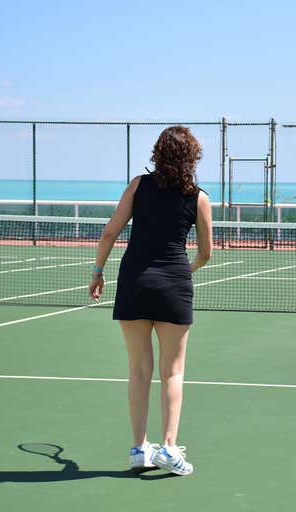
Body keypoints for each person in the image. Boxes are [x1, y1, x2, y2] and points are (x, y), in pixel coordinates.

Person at [88, 126, 212, 476]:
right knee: (172, 372)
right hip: (174, 286)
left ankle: (139, 447)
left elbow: (110, 231)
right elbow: (206, 253)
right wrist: (182, 271)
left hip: (133, 284)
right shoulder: (199, 198)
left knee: (138, 371)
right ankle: (169, 448)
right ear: (192, 157)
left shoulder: (138, 185)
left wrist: (97, 271)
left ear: (158, 153)